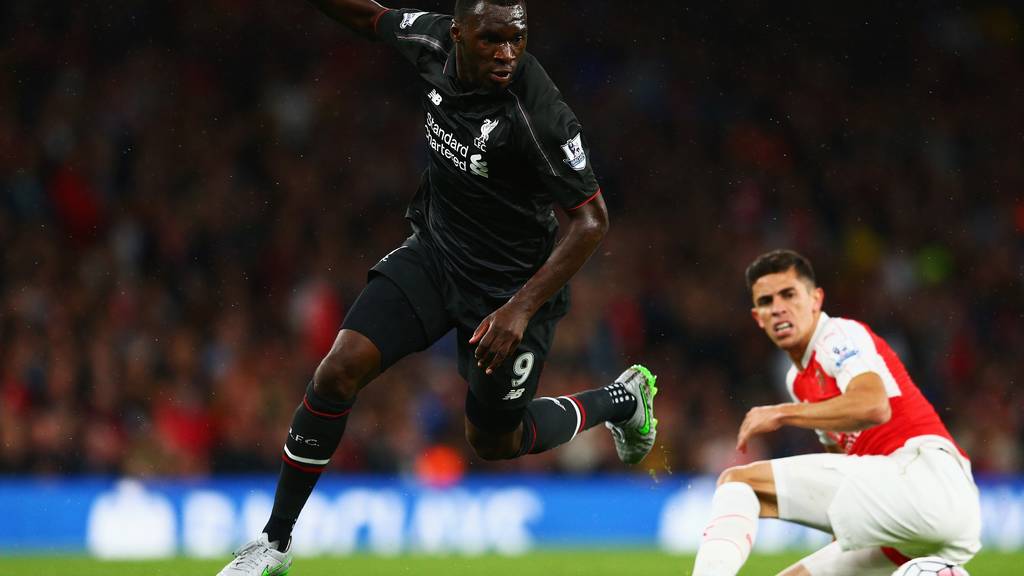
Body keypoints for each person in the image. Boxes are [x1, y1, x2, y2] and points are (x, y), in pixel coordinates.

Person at [218, 1, 659, 574]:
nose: (506, 53)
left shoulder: (538, 113)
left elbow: (592, 220)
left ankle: (623, 401)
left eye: (517, 39)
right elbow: (368, 17)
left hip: (510, 291)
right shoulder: (428, 43)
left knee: (494, 441)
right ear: (457, 35)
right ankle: (273, 545)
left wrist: (520, 309)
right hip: (436, 254)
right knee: (338, 369)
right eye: (491, 40)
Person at [690, 249, 981, 576]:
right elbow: (843, 468)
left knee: (738, 483)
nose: (779, 308)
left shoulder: (838, 336)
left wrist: (784, 414)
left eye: (789, 294)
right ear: (757, 317)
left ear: (816, 299)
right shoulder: (797, 380)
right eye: (767, 301)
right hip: (915, 520)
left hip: (922, 479)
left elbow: (874, 406)